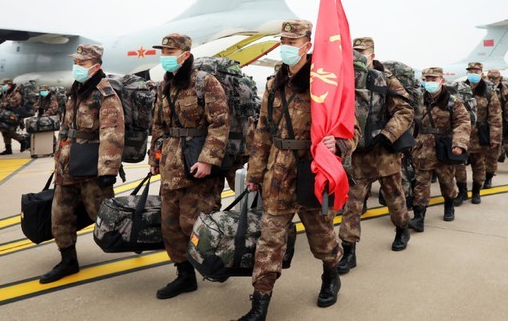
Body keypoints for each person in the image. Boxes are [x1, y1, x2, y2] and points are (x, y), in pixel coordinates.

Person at [239, 20, 359, 321]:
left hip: (312, 170)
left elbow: (351, 129)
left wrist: (340, 142)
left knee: (321, 236)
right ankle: (260, 304)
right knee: (270, 240)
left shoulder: (324, 83)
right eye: (283, 41)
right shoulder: (273, 84)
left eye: (293, 42)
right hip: (277, 174)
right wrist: (254, 174)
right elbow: (263, 131)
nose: (286, 47)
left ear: (308, 45)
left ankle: (331, 273)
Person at [148, 33, 230, 300]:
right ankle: (184, 276)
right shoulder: (164, 86)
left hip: (197, 163)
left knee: (196, 222)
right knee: (170, 225)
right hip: (171, 165)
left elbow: (220, 123)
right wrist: (154, 159)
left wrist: (208, 160)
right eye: (164, 52)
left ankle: (218, 263)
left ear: (185, 54)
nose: (166, 57)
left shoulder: (206, 82)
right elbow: (158, 126)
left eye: (171, 52)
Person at [39, 44, 124, 284]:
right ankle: (68, 260)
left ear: (96, 66)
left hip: (91, 167)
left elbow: (113, 133)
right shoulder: (74, 91)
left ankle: (136, 240)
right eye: (75, 63)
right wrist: (58, 157)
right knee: (60, 214)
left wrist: (108, 169)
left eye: (82, 64)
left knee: (103, 216)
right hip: (67, 165)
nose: (76, 67)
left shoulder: (104, 93)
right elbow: (66, 128)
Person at [337, 37, 414, 276]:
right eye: (354, 51)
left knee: (393, 196)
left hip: (383, 151)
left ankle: (402, 227)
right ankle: (348, 250)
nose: (358, 55)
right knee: (352, 204)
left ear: (372, 54)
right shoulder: (345, 78)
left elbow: (405, 109)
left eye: (362, 51)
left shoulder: (386, 79)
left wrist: (387, 135)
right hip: (358, 154)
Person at [409, 67, 470, 230]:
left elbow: (463, 122)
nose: (429, 82)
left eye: (433, 79)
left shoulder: (452, 101)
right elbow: (410, 121)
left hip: (444, 147)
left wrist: (459, 143)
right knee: (421, 183)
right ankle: (419, 218)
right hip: (422, 148)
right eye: (427, 79)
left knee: (447, 181)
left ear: (441, 80)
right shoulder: (418, 99)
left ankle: (449, 205)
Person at [453, 62, 501, 206]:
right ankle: (462, 192)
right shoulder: (459, 89)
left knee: (479, 164)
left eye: (476, 71)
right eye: (471, 71)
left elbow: (495, 116)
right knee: (459, 163)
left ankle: (476, 192)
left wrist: (495, 137)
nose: (473, 73)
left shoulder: (488, 91)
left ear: (481, 73)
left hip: (480, 133)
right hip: (462, 132)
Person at [484, 70, 508, 188]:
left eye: (495, 78)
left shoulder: (505, 92)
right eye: (490, 78)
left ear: (500, 78)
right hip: (483, 126)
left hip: (499, 125)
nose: (492, 81)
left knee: (494, 153)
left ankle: (489, 177)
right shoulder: (482, 88)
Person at [0, 79, 29, 155]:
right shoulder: (6, 93)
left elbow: (12, 105)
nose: (3, 87)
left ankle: (22, 140)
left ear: (10, 85)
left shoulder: (16, 94)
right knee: (5, 131)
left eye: (5, 85)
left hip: (14, 116)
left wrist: (1, 103)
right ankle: (8, 148)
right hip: (6, 115)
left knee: (9, 131)